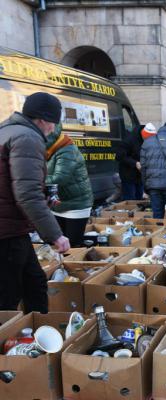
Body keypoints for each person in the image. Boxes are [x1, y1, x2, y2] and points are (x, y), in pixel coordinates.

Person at [0, 92, 70, 313]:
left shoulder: (7, 130)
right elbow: (27, 194)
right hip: (7, 232)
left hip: (11, 228)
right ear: (42, 120)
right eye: (53, 123)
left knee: (35, 283)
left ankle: (37, 331)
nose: (53, 130)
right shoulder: (27, 138)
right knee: (9, 297)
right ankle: (13, 340)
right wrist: (54, 235)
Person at [45, 124, 94, 247]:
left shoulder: (67, 150)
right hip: (58, 204)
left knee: (72, 246)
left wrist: (35, 179)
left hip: (76, 206)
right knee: (57, 246)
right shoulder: (49, 151)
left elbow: (60, 178)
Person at [115, 124, 145, 200]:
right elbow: (119, 156)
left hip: (139, 176)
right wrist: (135, 163)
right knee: (130, 200)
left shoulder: (143, 140)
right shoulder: (128, 140)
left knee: (139, 200)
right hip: (128, 176)